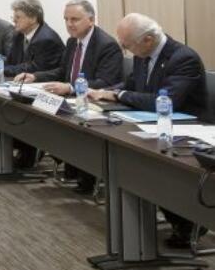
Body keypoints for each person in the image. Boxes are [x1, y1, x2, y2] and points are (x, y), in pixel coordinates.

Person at [88, 13, 208, 248]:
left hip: (185, 129)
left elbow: (166, 101)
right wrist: (109, 90)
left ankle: (188, 220)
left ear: (149, 39)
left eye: (127, 44)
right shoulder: (143, 55)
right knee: (128, 154)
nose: (123, 48)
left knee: (149, 165)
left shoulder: (183, 58)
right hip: (150, 124)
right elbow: (132, 85)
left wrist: (118, 95)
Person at [17, 0, 124, 192]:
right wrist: (35, 76)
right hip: (71, 101)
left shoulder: (107, 45)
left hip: (93, 104)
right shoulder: (72, 41)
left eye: (75, 19)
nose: (69, 24)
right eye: (66, 19)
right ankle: (71, 166)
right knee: (36, 115)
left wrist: (70, 88)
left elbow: (106, 83)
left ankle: (85, 174)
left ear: (91, 20)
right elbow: (62, 71)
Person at [0, 0, 64, 169]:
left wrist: (1, 70)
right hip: (26, 86)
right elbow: (12, 62)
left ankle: (28, 151)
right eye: (13, 17)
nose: (14, 20)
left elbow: (33, 67)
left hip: (48, 88)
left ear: (33, 18)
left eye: (18, 17)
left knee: (14, 108)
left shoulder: (46, 38)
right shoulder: (19, 35)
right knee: (3, 104)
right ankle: (18, 149)